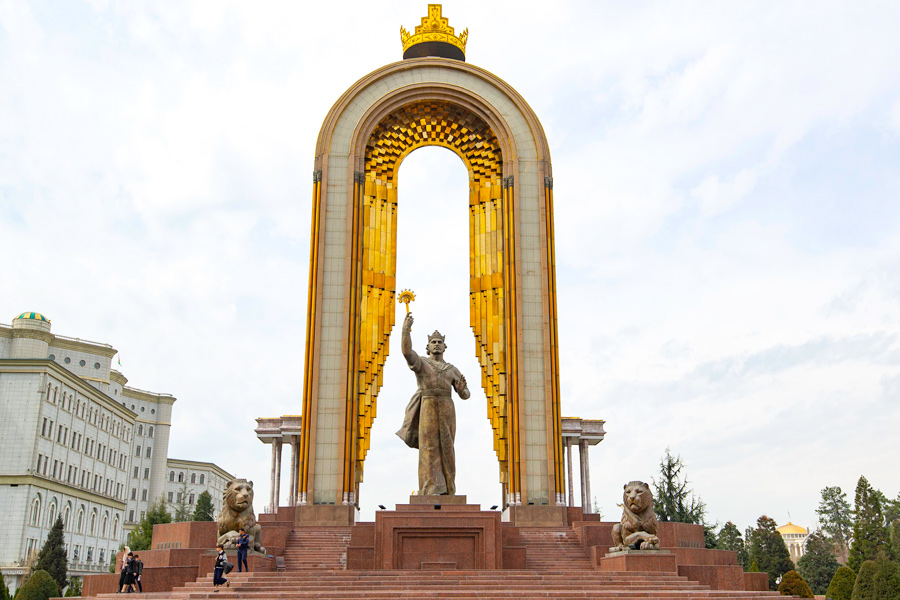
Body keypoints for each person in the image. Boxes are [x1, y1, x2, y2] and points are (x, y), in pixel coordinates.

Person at [395, 313, 470, 495]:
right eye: (433, 342)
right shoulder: (422, 363)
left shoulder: (452, 369)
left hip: (446, 407)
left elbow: (466, 395)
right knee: (429, 448)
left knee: (447, 447)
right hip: (427, 405)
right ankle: (429, 489)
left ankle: (448, 490)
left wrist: (462, 389)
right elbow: (407, 352)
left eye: (439, 342)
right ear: (427, 346)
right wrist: (405, 331)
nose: (436, 344)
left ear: (445, 346)